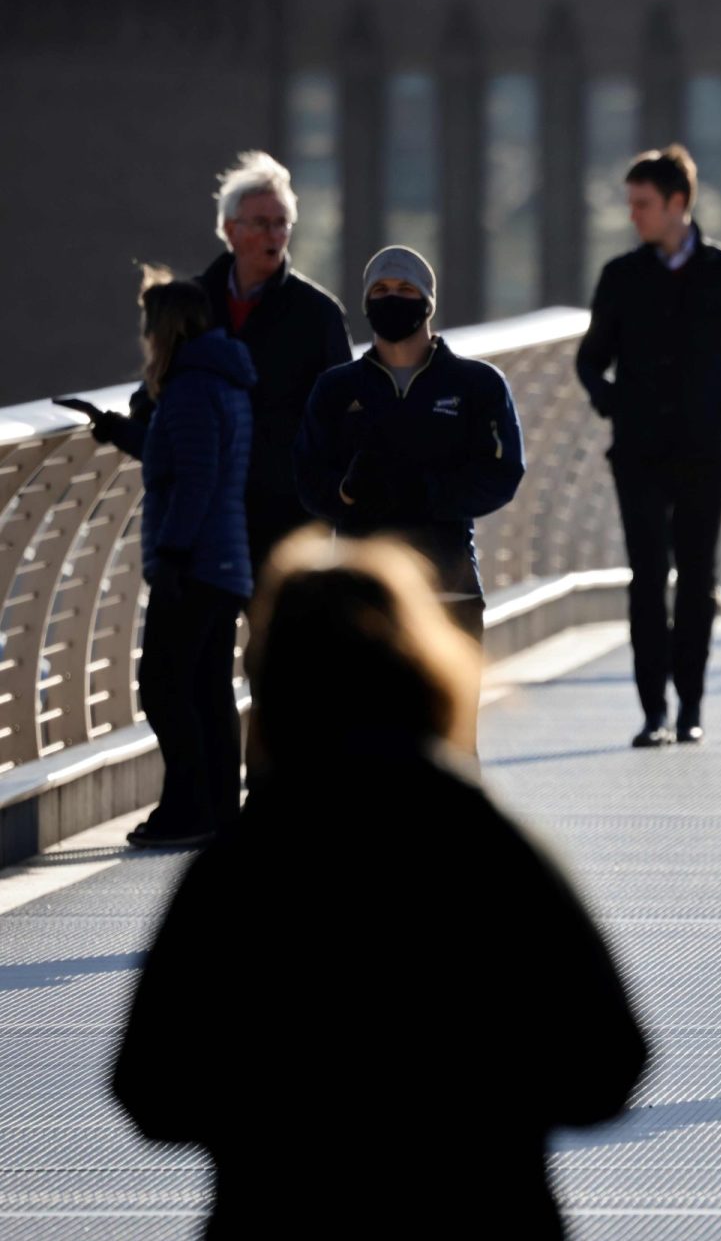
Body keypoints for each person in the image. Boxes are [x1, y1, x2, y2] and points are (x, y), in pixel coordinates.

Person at [112, 532, 648, 1241]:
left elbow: (152, 1086)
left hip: (277, 1230)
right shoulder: (492, 848)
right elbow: (607, 1062)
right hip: (484, 1225)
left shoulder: (242, 866)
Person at [72, 151, 350, 583]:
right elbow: (157, 397)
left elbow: (341, 420)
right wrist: (119, 427)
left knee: (281, 648)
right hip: (208, 517)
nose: (274, 234)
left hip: (290, 520)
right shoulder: (192, 304)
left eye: (282, 223)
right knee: (202, 648)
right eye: (261, 223)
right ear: (229, 230)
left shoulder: (319, 315)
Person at [575, 144, 721, 748]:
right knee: (646, 576)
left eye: (642, 204)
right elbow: (590, 361)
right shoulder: (620, 276)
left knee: (697, 578)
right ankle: (651, 709)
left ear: (678, 204)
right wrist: (616, 407)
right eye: (630, 203)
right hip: (635, 454)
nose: (632, 214)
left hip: (704, 453)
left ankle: (690, 704)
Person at [295, 246, 526, 644]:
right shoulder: (337, 388)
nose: (393, 298)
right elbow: (308, 477)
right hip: (359, 591)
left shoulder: (476, 384)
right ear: (366, 302)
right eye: (380, 290)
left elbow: (502, 472)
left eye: (406, 288)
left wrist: (426, 491)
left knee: (447, 709)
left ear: (428, 302)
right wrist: (347, 492)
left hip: (448, 586)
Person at [116, 268, 254, 848]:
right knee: (205, 688)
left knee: (163, 685)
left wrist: (171, 553)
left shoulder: (192, 387)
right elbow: (185, 454)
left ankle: (187, 809)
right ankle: (219, 811)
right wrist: (120, 433)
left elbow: (196, 477)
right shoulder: (217, 379)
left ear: (164, 329)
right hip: (223, 563)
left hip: (197, 564)